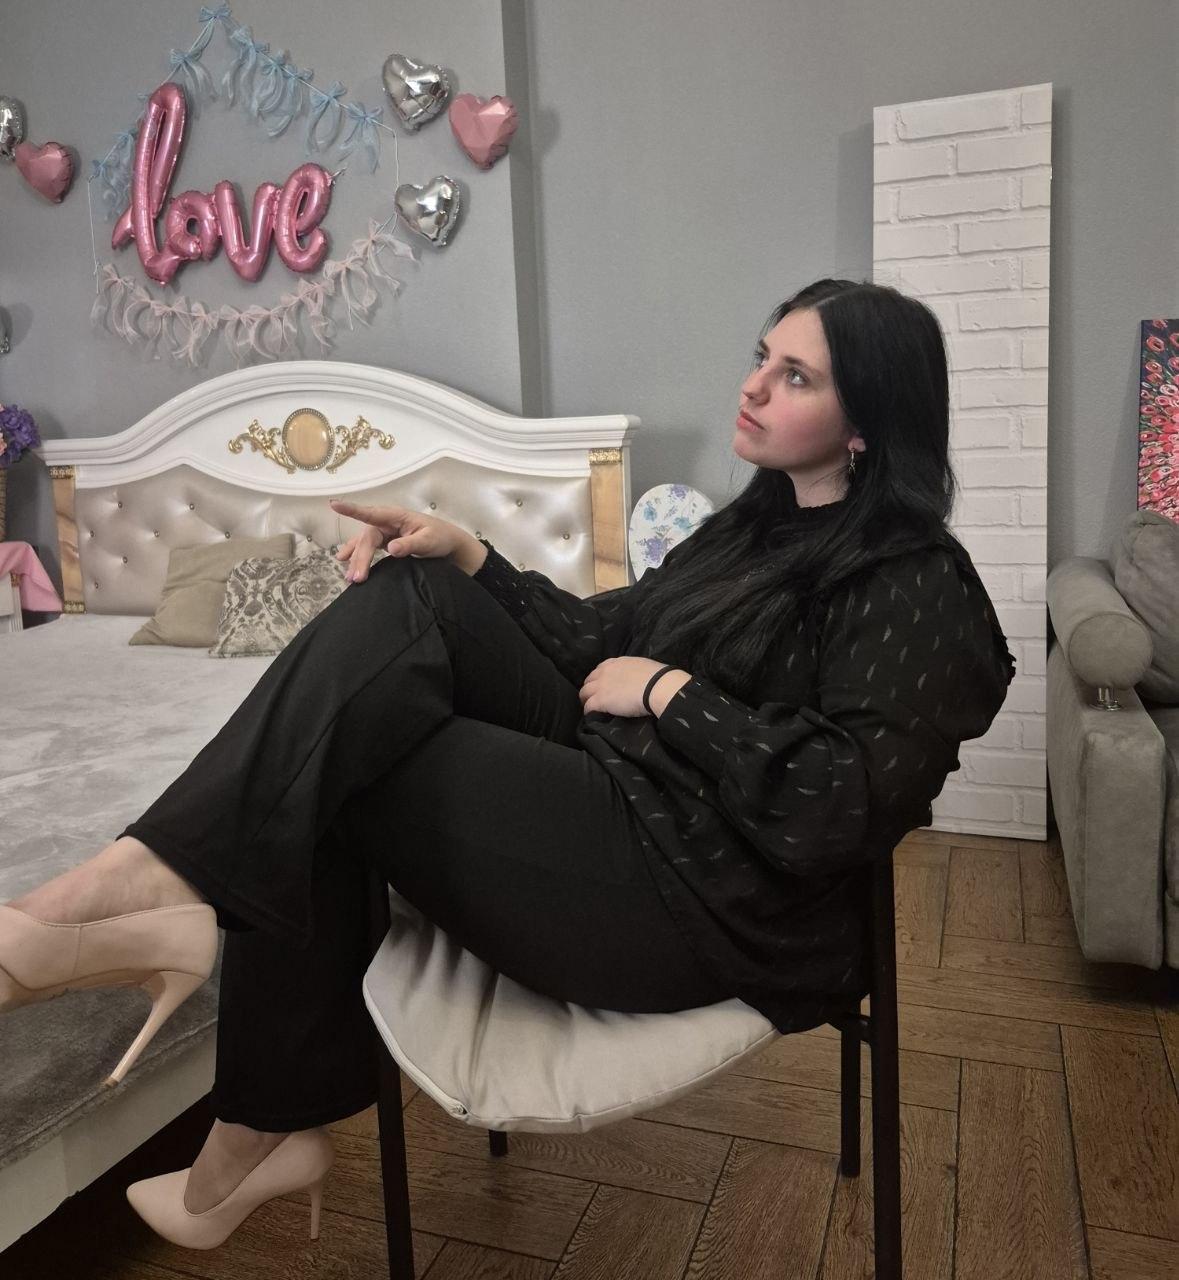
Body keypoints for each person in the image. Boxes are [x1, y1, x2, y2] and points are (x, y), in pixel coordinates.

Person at [0, 277, 1015, 1252]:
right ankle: (177, 944)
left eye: (796, 376)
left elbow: (841, 800)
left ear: (865, 421)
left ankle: (233, 1072)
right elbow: (600, 636)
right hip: (618, 786)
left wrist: (672, 694)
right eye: (762, 357)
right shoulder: (749, 526)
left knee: (347, 753)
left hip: (696, 895)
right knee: (410, 595)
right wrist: (469, 553)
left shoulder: (916, 579)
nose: (752, 385)